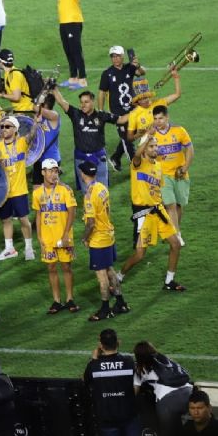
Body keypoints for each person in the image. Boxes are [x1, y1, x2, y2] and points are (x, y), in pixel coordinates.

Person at [117, 132, 186, 291]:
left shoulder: (158, 165)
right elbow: (136, 155)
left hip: (158, 211)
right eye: (152, 146)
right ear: (145, 148)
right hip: (144, 214)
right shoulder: (137, 164)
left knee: (175, 244)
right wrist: (147, 138)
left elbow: (157, 190)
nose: (155, 148)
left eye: (156, 145)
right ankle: (120, 275)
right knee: (140, 254)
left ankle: (169, 281)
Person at [83, 329, 139, 436]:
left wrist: (94, 359)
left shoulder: (94, 366)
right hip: (128, 414)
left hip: (107, 417)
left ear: (101, 345)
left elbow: (85, 380)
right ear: (118, 342)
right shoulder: (128, 361)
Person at [79, 161, 127, 322]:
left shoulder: (89, 194)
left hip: (99, 239)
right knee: (109, 270)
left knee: (101, 276)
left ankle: (105, 309)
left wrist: (84, 238)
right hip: (108, 234)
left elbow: (91, 222)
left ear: (83, 174)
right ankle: (120, 303)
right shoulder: (102, 187)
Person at [51, 88, 121, 189]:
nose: (83, 105)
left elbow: (121, 119)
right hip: (81, 159)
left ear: (93, 102)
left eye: (86, 102)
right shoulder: (76, 114)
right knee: (86, 192)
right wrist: (54, 88)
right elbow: (61, 101)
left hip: (99, 158)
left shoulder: (101, 116)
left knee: (102, 190)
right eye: (81, 102)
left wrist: (137, 113)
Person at [32, 159, 77, 314]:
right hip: (47, 238)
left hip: (63, 237)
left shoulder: (65, 190)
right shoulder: (37, 193)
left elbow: (72, 212)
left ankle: (70, 298)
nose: (53, 174)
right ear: (43, 172)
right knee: (51, 268)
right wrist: (39, 237)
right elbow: (38, 214)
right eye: (50, 171)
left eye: (56, 171)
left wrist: (66, 234)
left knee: (66, 267)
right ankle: (56, 301)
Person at [0, 116, 37, 261]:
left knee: (23, 220)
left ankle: (29, 247)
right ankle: (9, 248)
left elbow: (32, 134)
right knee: (5, 220)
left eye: (8, 126)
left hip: (19, 190)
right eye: (2, 127)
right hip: (4, 192)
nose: (4, 129)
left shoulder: (22, 143)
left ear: (16, 129)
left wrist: (36, 122)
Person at [133, 341, 193, 436]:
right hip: (189, 395)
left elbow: (135, 391)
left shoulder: (141, 368)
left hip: (168, 403)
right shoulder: (166, 359)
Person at [152, 105, 192, 246]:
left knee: (179, 205)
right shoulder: (151, 135)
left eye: (161, 118)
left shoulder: (179, 131)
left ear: (167, 117)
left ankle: (172, 230)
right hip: (162, 176)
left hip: (179, 174)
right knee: (170, 205)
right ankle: (176, 235)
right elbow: (144, 154)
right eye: (155, 119)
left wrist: (185, 167)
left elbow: (189, 149)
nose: (158, 121)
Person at [100, 46, 145, 171]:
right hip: (118, 113)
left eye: (117, 56)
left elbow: (141, 73)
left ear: (122, 56)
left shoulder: (128, 68)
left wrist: (137, 65)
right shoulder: (107, 73)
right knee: (127, 139)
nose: (115, 59)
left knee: (131, 135)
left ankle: (115, 157)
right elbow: (101, 92)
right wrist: (100, 110)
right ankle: (136, 165)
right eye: (113, 56)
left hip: (133, 109)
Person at [50, 0, 86, 89]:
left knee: (76, 50)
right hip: (64, 21)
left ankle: (82, 79)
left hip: (73, 21)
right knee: (68, 50)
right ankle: (73, 78)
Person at [125, 69, 181, 143]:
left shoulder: (158, 103)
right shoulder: (134, 114)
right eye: (142, 99)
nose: (146, 100)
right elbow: (129, 138)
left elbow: (177, 95)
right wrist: (138, 135)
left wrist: (176, 78)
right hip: (148, 147)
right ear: (137, 101)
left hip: (165, 141)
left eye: (147, 97)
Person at [0, 49, 34, 114]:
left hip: (25, 111)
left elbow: (16, 97)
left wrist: (0, 95)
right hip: (21, 109)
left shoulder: (14, 75)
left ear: (1, 62)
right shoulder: (9, 73)